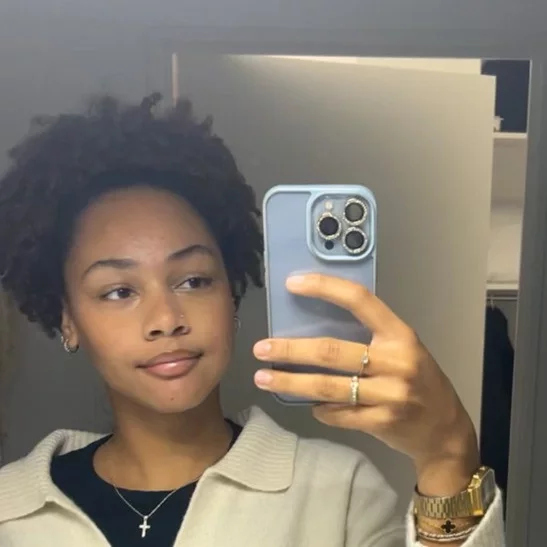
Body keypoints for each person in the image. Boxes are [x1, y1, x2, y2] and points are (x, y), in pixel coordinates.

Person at [0, 94, 504, 546]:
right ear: (69, 319)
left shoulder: (339, 493)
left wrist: (448, 456)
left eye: (193, 280)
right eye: (118, 291)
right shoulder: (10, 511)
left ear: (232, 294)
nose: (166, 319)